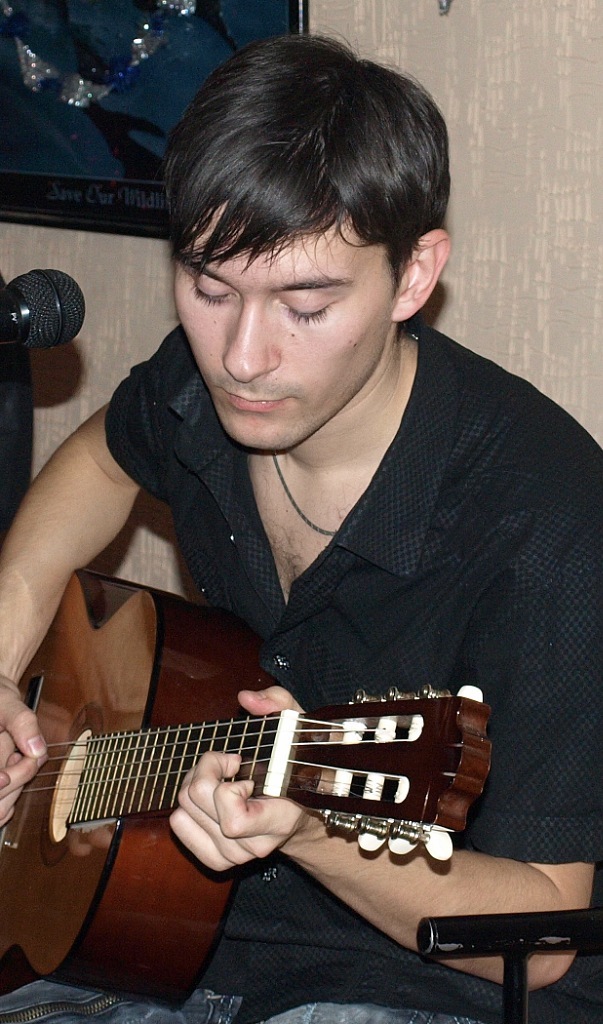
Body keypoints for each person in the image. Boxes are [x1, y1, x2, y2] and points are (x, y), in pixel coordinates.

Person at [0, 32, 601, 1024]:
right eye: (210, 288)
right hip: (163, 935)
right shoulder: (198, 392)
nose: (242, 356)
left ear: (413, 276)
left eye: (305, 305)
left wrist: (313, 829)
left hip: (409, 985)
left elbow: (540, 936)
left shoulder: (546, 521)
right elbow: (104, 456)